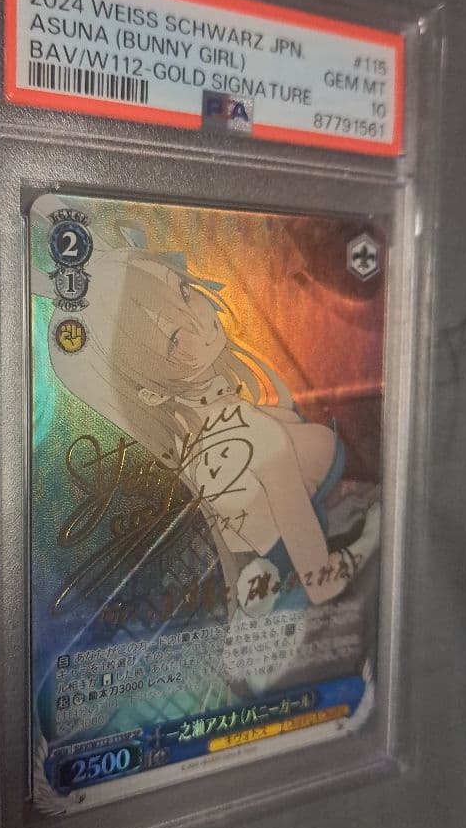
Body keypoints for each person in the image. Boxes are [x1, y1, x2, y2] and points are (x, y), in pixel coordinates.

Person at [31, 194, 380, 626]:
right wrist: (373, 533)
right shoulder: (258, 439)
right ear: (148, 393)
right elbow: (319, 582)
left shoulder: (196, 456)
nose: (199, 321)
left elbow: (240, 568)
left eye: (182, 292)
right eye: (174, 340)